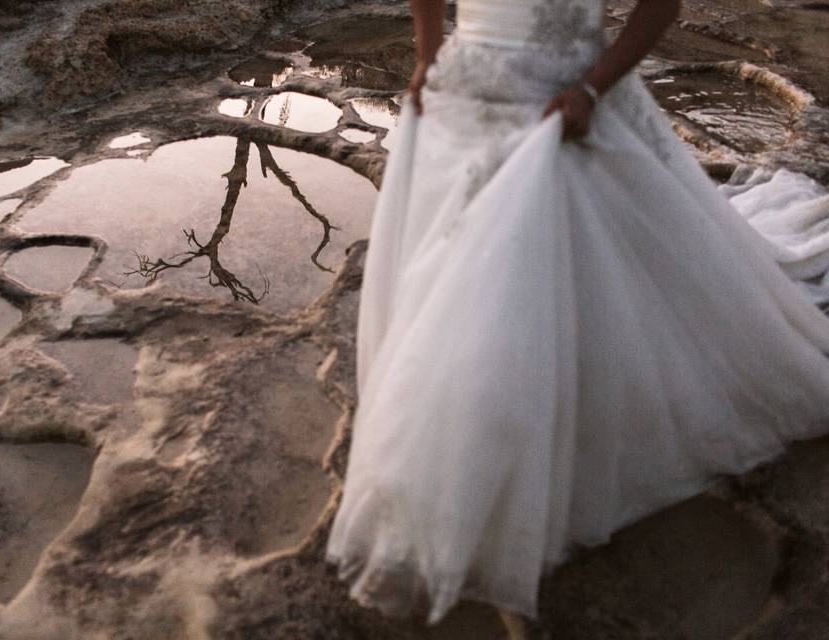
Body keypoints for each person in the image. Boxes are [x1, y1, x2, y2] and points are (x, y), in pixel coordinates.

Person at [324, 0, 829, 629]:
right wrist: (427, 54)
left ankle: (533, 445)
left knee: (539, 271)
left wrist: (593, 86)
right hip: (464, 94)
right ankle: (468, 435)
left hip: (566, 95)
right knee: (458, 282)